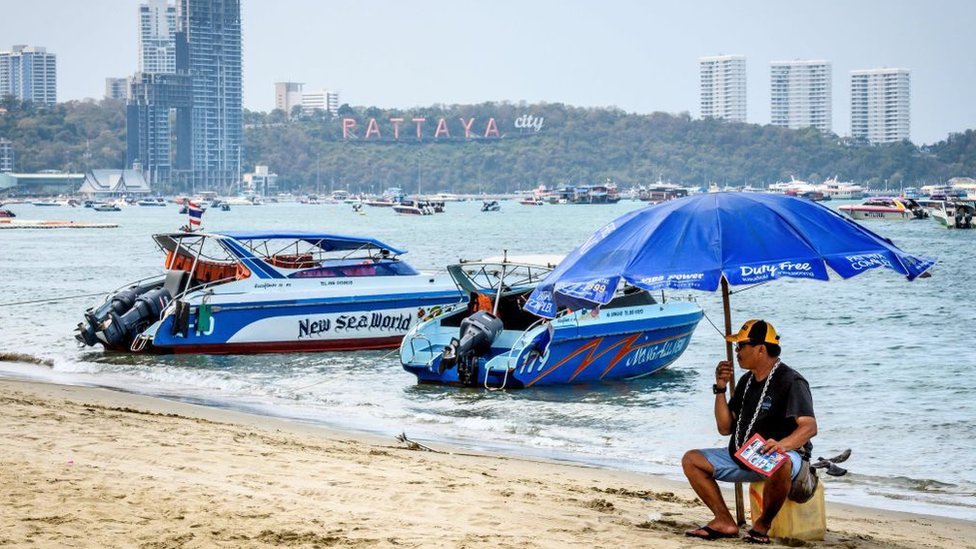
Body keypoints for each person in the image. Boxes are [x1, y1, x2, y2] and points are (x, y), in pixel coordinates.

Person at [681, 319, 817, 544]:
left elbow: (809, 426)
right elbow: (725, 428)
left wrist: (782, 445)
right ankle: (724, 521)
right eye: (736, 347)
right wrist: (720, 388)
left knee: (780, 462)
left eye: (741, 346)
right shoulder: (746, 381)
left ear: (761, 349)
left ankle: (762, 526)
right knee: (691, 460)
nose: (737, 351)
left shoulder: (791, 381)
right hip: (743, 454)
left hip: (782, 457)